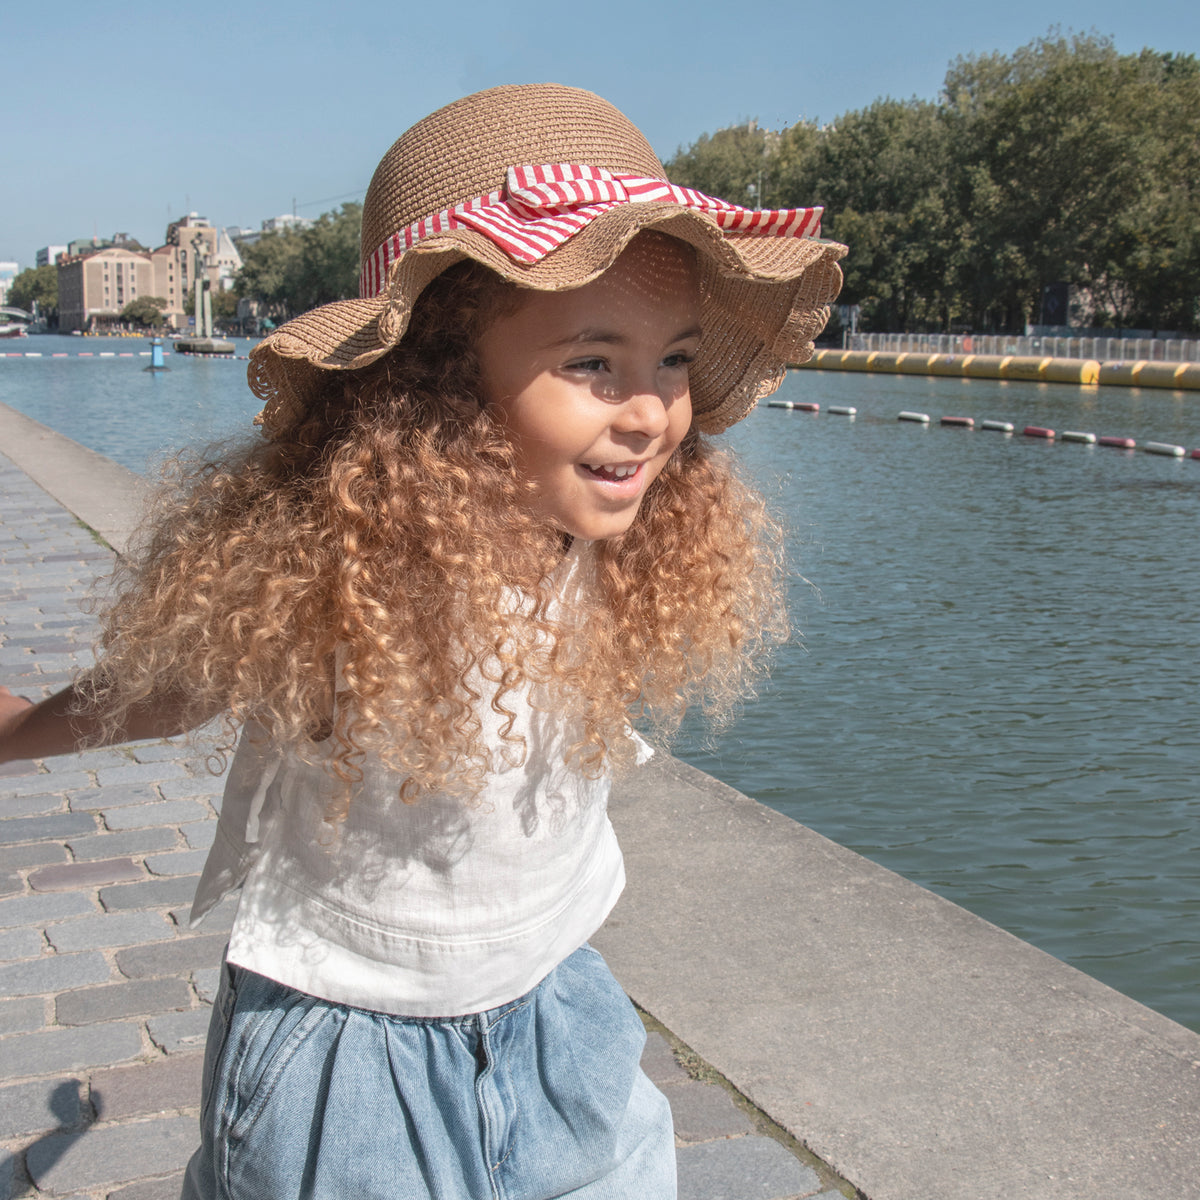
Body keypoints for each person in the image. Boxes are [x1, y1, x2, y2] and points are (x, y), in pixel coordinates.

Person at [0, 84, 844, 1199]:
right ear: (440, 380)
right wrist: (16, 732)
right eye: (595, 362)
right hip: (352, 1054)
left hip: (561, 1016)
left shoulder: (609, 536)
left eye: (674, 360)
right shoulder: (346, 564)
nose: (650, 412)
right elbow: (175, 688)